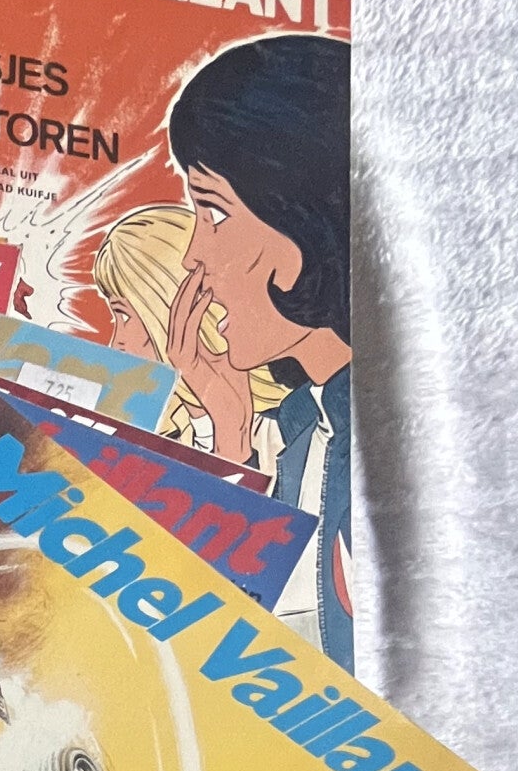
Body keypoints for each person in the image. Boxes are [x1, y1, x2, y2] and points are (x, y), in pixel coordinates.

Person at [167, 33, 353, 667]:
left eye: (215, 213)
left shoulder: (373, 443)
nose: (194, 255)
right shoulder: (300, 432)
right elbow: (230, 648)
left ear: (299, 224)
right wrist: (230, 432)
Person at [91, 204, 285, 460]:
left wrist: (231, 437)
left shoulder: (282, 434)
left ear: (168, 309)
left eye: (124, 315)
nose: (116, 343)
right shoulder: (164, 431)